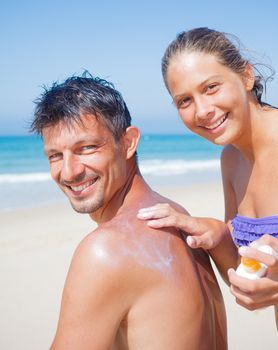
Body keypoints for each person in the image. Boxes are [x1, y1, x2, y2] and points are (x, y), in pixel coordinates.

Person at [31, 74, 227, 349]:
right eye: (55, 155)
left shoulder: (106, 250)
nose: (69, 171)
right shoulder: (175, 214)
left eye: (86, 148)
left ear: (128, 142)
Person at [137, 27, 278, 325]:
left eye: (211, 87)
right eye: (184, 101)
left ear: (246, 76)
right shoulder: (231, 160)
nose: (202, 110)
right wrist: (212, 234)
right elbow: (245, 271)